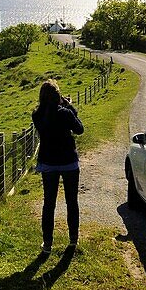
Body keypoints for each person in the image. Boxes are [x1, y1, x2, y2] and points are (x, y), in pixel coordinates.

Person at [32, 79, 84, 253]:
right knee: (71, 201)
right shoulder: (65, 113)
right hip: (68, 161)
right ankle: (73, 240)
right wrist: (70, 106)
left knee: (49, 204)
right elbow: (79, 129)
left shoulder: (37, 115)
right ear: (58, 96)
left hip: (48, 163)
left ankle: (47, 244)